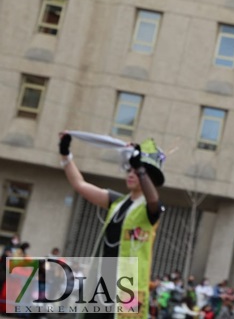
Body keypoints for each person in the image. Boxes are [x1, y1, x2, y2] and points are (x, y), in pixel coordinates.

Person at [58, 131, 165, 319]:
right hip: (102, 281)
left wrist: (140, 166)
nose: (131, 174)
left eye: (137, 171)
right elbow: (80, 185)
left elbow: (153, 199)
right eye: (129, 170)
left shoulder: (151, 209)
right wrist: (66, 154)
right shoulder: (117, 202)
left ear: (149, 178)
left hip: (129, 287)